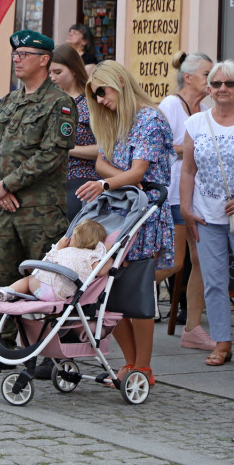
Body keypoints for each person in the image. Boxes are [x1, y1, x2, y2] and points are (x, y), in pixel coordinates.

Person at [0, 31, 76, 374]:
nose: (16, 59)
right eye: (15, 54)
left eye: (24, 54)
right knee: (0, 279)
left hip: (40, 212)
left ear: (44, 60)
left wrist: (8, 184)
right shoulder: (9, 102)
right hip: (4, 209)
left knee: (45, 284)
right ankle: (2, 348)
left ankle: (46, 354)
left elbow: (51, 155)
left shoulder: (59, 103)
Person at [78, 60, 174, 384]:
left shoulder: (150, 118)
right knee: (107, 290)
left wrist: (112, 181)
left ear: (119, 82)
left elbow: (136, 172)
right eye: (96, 96)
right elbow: (104, 164)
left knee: (136, 293)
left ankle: (143, 367)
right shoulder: (114, 120)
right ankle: (130, 364)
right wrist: (127, 179)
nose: (101, 101)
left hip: (145, 215)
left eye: (102, 92)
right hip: (121, 211)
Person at [180, 60, 234, 373]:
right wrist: (186, 209)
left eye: (229, 84)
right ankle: (222, 343)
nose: (222, 89)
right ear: (209, 90)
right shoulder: (196, 124)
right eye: (216, 84)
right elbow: (188, 170)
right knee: (214, 283)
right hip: (205, 216)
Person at [158, 52, 215, 351]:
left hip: (198, 196)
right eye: (208, 74)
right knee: (173, 263)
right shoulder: (170, 104)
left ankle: (193, 327)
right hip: (173, 195)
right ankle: (114, 300)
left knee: (201, 261)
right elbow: (161, 147)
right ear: (189, 77)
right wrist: (192, 147)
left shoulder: (205, 109)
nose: (213, 80)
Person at [0, 219, 109, 303]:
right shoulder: (91, 257)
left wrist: (58, 247)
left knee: (29, 279)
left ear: (73, 238)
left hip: (42, 288)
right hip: (64, 295)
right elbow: (101, 271)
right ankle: (10, 292)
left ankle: (8, 291)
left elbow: (48, 260)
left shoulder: (62, 251)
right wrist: (108, 255)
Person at [49, 44, 99, 220]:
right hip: (49, 179)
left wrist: (68, 149)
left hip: (81, 179)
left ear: (74, 70)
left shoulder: (92, 104)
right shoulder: (50, 102)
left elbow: (104, 149)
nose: (53, 78)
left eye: (58, 72)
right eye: (50, 73)